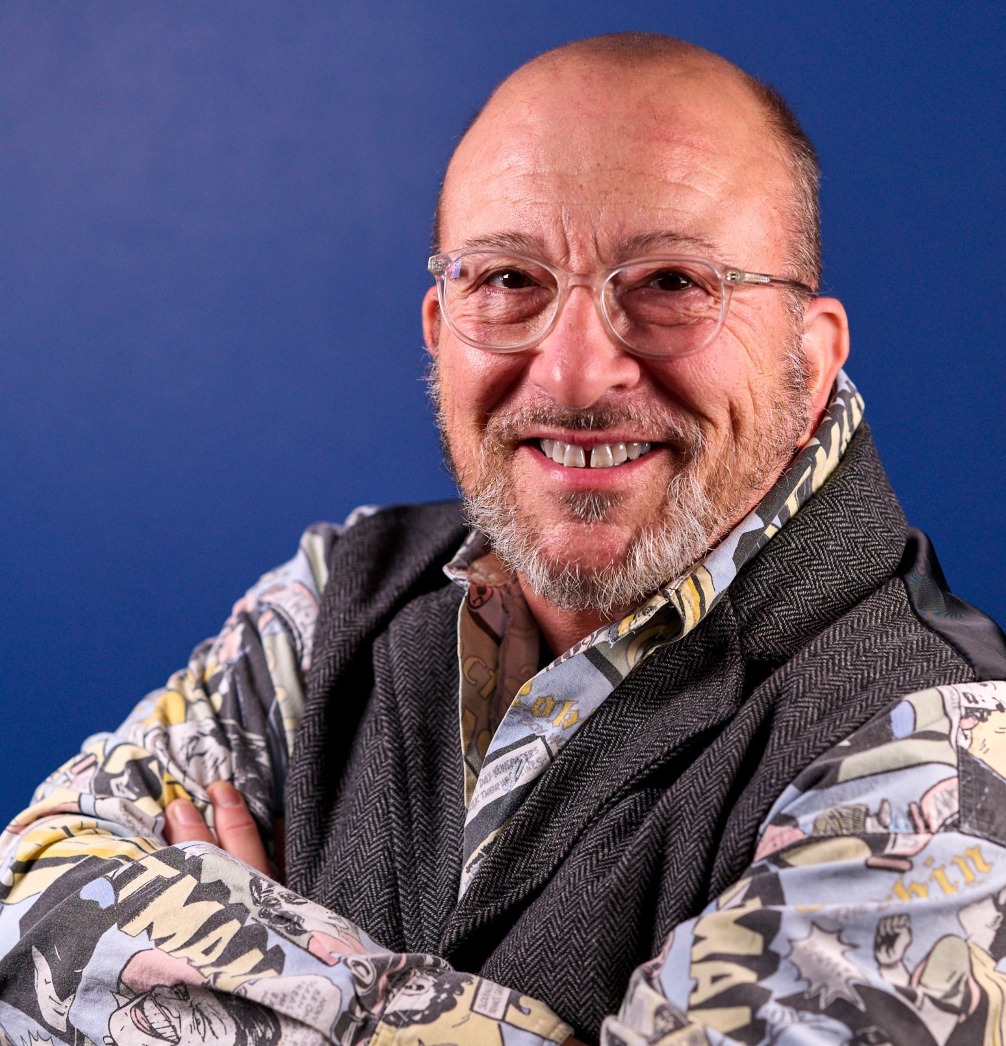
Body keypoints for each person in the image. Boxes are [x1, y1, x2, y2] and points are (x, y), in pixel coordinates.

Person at [2, 30, 1006, 1046]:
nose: (574, 374)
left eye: (669, 283)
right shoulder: (335, 595)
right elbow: (27, 911)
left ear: (811, 358)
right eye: (509, 280)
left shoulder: (950, 763)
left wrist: (234, 980)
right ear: (440, 325)